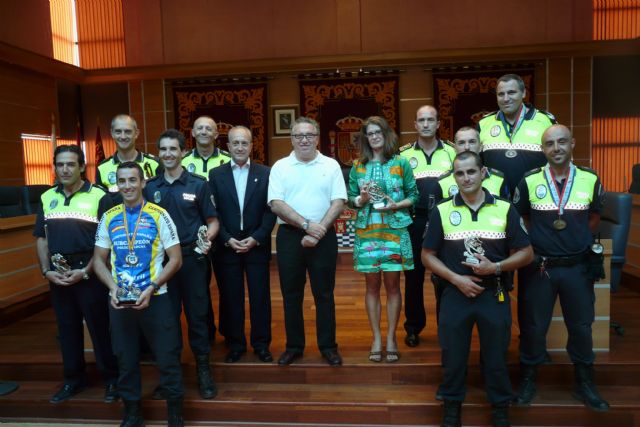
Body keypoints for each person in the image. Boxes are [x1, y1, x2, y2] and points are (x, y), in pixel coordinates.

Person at [422, 151, 533, 427]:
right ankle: (451, 405)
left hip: (493, 291)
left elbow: (527, 253)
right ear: (454, 177)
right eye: (459, 173)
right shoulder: (442, 210)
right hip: (454, 292)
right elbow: (427, 255)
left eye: (471, 171)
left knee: (496, 355)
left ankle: (499, 406)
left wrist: (496, 268)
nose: (466, 177)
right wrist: (456, 279)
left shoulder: (505, 208)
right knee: (453, 355)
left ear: (483, 173)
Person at [513, 124, 610, 412]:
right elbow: (522, 219)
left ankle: (584, 384)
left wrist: (573, 240)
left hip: (577, 268)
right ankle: (528, 381)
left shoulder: (590, 179)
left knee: (581, 327)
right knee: (533, 327)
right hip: (540, 268)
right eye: (550, 143)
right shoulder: (529, 181)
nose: (556, 148)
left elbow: (594, 217)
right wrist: (543, 242)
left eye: (562, 142)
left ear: (572, 144)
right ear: (543, 149)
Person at [93, 161, 185, 427]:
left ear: (143, 182)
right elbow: (98, 260)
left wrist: (153, 287)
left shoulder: (159, 214)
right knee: (126, 358)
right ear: (117, 185)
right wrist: (112, 288)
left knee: (167, 357)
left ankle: (175, 414)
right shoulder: (109, 217)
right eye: (122, 181)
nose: (127, 186)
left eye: (133, 180)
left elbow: (176, 259)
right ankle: (132, 413)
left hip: (156, 298)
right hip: (121, 301)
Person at [34, 144, 118, 404]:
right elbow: (41, 238)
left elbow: (106, 242)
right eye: (60, 165)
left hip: (90, 272)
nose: (65, 169)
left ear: (82, 166)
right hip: (59, 274)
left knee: (100, 328)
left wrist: (86, 270)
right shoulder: (47, 197)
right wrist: (46, 271)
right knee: (67, 329)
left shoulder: (99, 196)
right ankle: (74, 379)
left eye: (71, 164)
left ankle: (111, 380)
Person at [144, 129, 219, 399]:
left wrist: (205, 240)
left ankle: (203, 372)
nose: (167, 154)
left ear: (183, 152)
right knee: (167, 320)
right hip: (162, 264)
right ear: (158, 154)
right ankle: (171, 376)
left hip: (191, 260)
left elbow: (213, 221)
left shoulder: (198, 184)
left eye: (173, 149)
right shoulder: (150, 188)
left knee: (198, 318)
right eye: (163, 149)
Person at [268, 116, 347, 366]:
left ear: (317, 138)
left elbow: (339, 200)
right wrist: (305, 226)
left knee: (324, 293)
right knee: (291, 295)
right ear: (291, 139)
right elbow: (276, 203)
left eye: (309, 135)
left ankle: (328, 347)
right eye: (299, 135)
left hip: (324, 236)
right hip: (290, 237)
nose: (304, 140)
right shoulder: (280, 167)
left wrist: (319, 230)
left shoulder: (331, 165)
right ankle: (294, 346)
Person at [347, 116, 418, 363]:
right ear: (365, 138)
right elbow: (351, 199)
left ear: (386, 134)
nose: (374, 136)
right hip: (368, 232)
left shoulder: (401, 163)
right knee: (372, 287)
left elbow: (414, 195)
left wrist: (397, 204)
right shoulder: (358, 166)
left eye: (378, 132)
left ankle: (391, 337)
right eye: (369, 133)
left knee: (393, 286)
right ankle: (376, 337)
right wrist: (362, 199)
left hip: (395, 229)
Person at [209, 126, 276, 364]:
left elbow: (271, 211)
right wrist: (226, 238)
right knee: (231, 298)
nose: (239, 147)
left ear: (251, 146)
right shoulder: (216, 175)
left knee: (260, 297)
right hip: (227, 247)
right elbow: (213, 212)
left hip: (256, 245)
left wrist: (257, 237)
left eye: (244, 143)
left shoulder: (266, 173)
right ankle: (235, 344)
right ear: (228, 147)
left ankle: (261, 344)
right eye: (235, 143)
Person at [399, 105, 455, 348]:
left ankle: (447, 326)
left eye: (430, 119)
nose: (425, 124)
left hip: (446, 222)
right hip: (414, 220)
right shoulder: (403, 155)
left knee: (444, 275)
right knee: (413, 277)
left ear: (438, 123)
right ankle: (413, 327)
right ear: (415, 124)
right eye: (421, 120)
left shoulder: (453, 152)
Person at [478, 74, 556, 195]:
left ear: (523, 93)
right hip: (494, 202)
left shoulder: (545, 121)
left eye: (511, 92)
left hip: (536, 196)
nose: (506, 98)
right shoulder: (484, 123)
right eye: (501, 94)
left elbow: (561, 158)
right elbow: (474, 164)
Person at [435, 127, 509, 203]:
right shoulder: (442, 181)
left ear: (480, 147)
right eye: (461, 143)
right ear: (455, 148)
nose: (467, 147)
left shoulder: (499, 179)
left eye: (472, 142)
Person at [96, 114, 159, 198]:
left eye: (128, 131)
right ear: (112, 133)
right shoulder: (102, 168)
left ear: (136, 133)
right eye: (118, 132)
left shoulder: (155, 163)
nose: (123, 136)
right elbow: (102, 201)